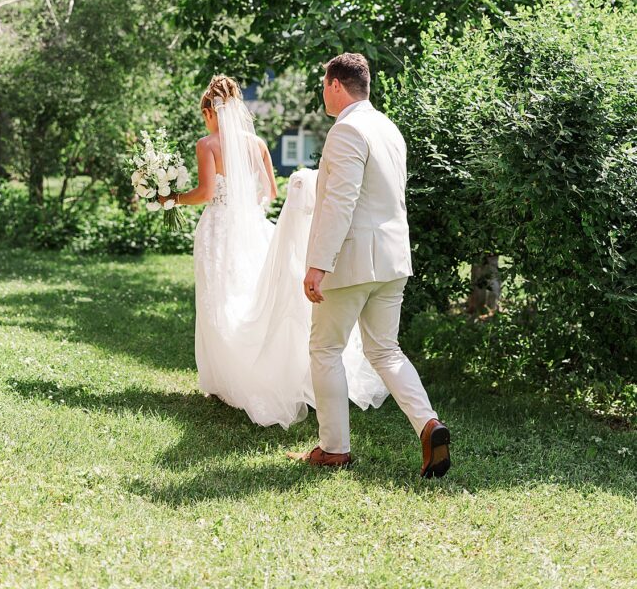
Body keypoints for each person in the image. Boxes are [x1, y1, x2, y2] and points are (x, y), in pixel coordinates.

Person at [160, 74, 388, 429]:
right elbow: (269, 192)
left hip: (219, 230)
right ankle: (258, 372)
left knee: (220, 300)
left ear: (210, 110)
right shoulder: (259, 144)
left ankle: (226, 382)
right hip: (253, 229)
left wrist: (171, 197)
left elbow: (205, 194)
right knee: (252, 297)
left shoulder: (207, 145)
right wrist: (245, 207)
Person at [287, 52, 451, 477]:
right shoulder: (388, 128)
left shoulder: (347, 130)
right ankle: (428, 423)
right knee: (385, 349)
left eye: (324, 84)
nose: (323, 91)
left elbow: (340, 203)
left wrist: (318, 264)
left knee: (325, 349)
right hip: (394, 260)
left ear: (337, 85)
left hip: (352, 260)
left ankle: (334, 448)